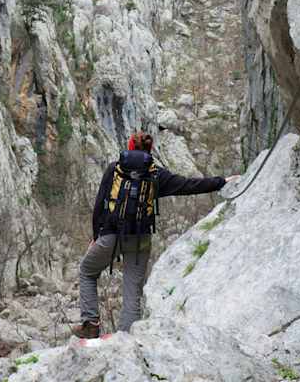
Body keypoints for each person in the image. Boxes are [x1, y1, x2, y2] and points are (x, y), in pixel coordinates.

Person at [71, 131, 239, 339]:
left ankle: (91, 325)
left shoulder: (115, 170)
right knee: (132, 290)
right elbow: (189, 185)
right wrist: (221, 181)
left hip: (110, 235)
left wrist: (96, 235)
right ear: (149, 152)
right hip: (140, 238)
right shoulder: (156, 175)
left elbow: (99, 206)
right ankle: (126, 340)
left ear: (130, 147)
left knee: (87, 271)